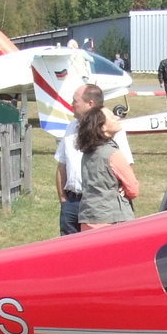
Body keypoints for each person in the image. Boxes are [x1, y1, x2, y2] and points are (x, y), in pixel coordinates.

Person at [54, 84, 132, 235]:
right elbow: (62, 166)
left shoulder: (112, 130)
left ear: (89, 104)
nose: (71, 104)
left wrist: (124, 189)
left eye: (75, 101)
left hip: (99, 207)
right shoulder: (71, 128)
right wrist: (63, 200)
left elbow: (125, 166)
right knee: (69, 252)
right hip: (72, 202)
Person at [75, 102, 139, 229]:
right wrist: (123, 188)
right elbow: (133, 190)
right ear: (102, 127)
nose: (117, 117)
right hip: (113, 221)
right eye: (111, 116)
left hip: (88, 217)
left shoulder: (87, 153)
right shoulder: (113, 154)